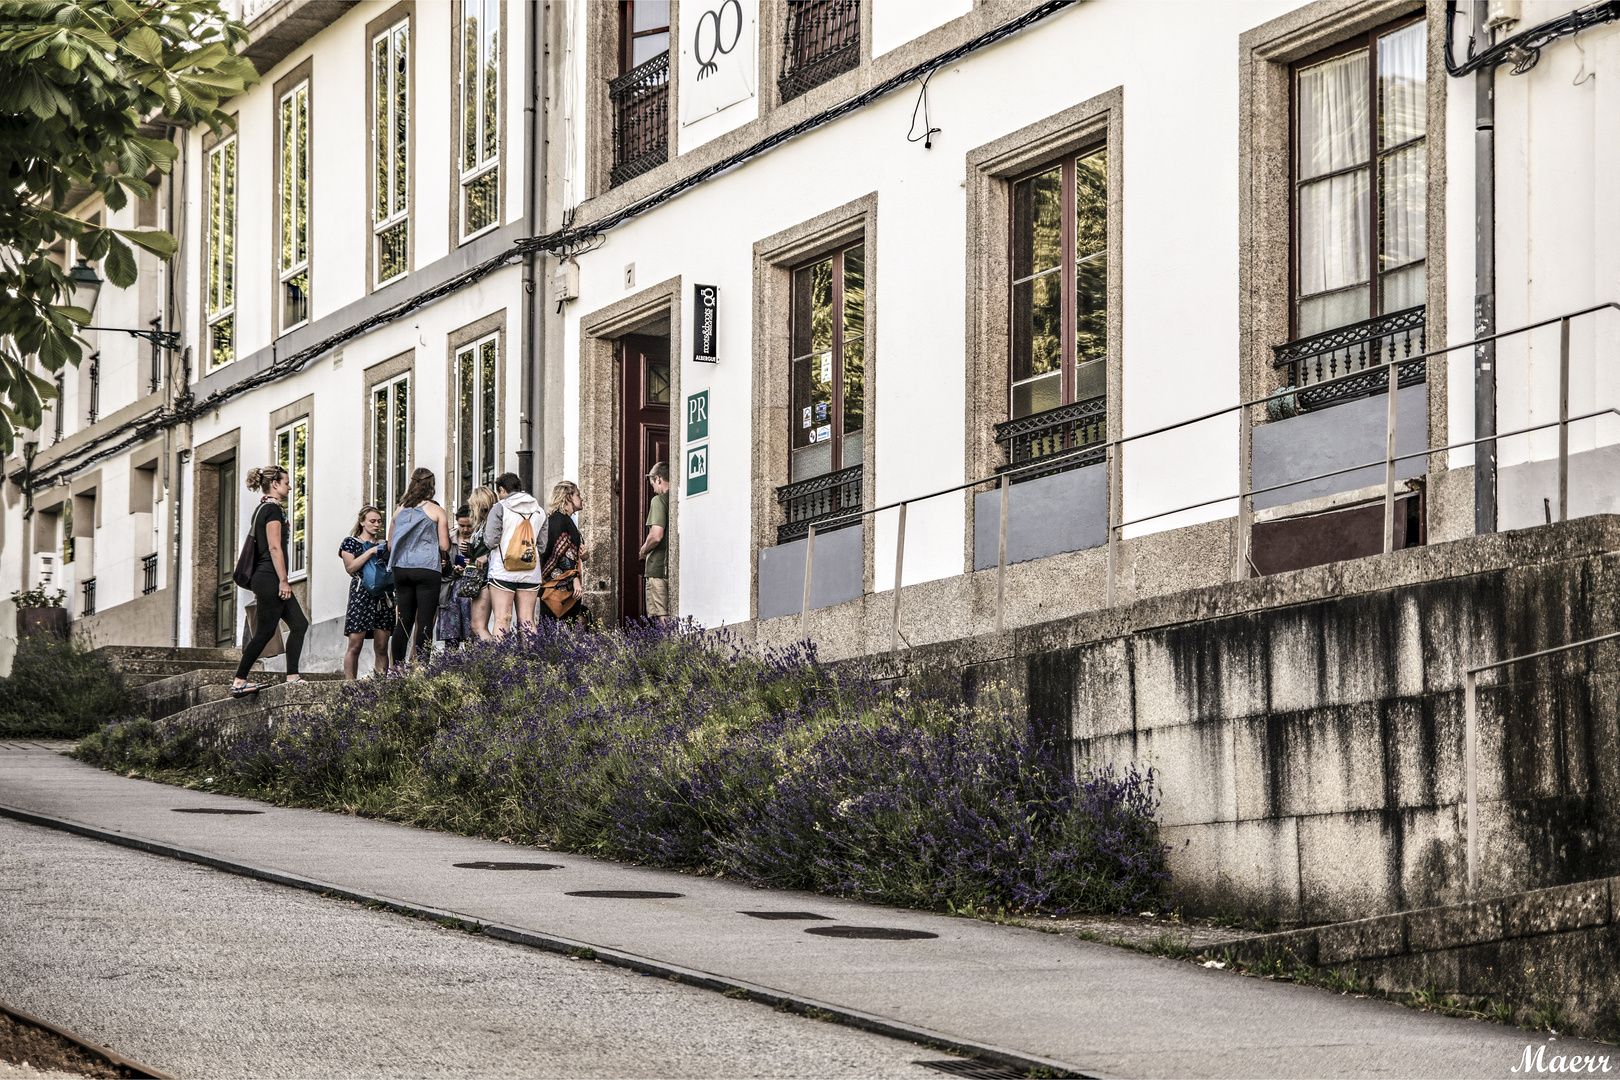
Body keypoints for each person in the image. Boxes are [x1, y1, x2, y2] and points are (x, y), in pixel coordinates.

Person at [231, 466, 309, 696]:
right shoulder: (272, 509)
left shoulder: (262, 509)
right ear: (274, 484)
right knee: (265, 632)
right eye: (286, 482)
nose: (290, 486)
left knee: (299, 624)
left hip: (266, 578)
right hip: (270, 578)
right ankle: (239, 681)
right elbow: (275, 548)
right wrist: (284, 581)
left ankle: (293, 676)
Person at [387, 467, 451, 666]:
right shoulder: (437, 511)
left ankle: (396, 669)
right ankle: (421, 667)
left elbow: (390, 544)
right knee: (424, 620)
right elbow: (444, 545)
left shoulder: (399, 511)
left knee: (403, 621)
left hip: (401, 569)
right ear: (431, 485)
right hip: (427, 569)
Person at [483, 473, 546, 633]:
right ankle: (532, 658)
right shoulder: (540, 511)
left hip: (503, 571)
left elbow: (491, 541)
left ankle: (503, 658)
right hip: (530, 571)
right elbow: (542, 546)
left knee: (502, 619)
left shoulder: (500, 508)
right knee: (527, 620)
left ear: (502, 489)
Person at [339, 505, 395, 679]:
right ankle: (350, 686)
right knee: (355, 644)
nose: (377, 524)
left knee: (381, 646)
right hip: (361, 593)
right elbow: (350, 568)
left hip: (383, 596)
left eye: (379, 521)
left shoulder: (385, 545)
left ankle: (379, 688)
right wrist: (370, 551)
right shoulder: (351, 542)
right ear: (362, 522)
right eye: (372, 521)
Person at [538, 479, 585, 623]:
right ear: (568, 497)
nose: (581, 498)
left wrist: (584, 554)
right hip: (557, 589)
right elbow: (562, 552)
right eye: (578, 494)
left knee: (560, 633)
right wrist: (574, 578)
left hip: (563, 588)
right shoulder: (558, 520)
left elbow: (570, 550)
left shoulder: (564, 520)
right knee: (554, 631)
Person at [435, 504, 475, 647]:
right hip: (450, 593)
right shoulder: (448, 539)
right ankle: (450, 667)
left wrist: (473, 564)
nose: (465, 529)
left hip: (472, 595)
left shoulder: (480, 540)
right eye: (461, 525)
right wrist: (454, 571)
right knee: (451, 640)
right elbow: (441, 574)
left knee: (472, 636)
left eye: (469, 526)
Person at [638, 462, 671, 622]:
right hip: (673, 569)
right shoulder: (679, 498)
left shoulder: (659, 501)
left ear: (658, 479)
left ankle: (667, 647)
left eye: (652, 484)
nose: (653, 490)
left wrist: (643, 550)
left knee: (662, 615)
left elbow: (656, 535)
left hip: (658, 568)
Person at [463, 485, 497, 640]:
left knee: (477, 626)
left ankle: (498, 658)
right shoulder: (484, 523)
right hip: (482, 576)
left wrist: (487, 557)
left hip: (487, 577)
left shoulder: (492, 522)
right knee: (477, 626)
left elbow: (502, 546)